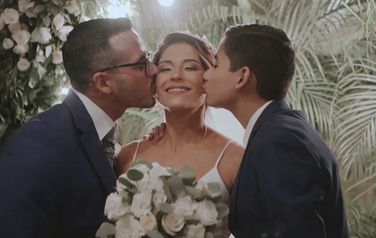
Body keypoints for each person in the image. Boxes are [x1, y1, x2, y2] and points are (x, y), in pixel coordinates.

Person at [0, 18, 158, 238]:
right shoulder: (39, 144)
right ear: (103, 82)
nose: (154, 69)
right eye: (141, 64)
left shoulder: (108, 136)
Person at [203, 24, 349, 238]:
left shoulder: (279, 141)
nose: (206, 75)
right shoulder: (280, 130)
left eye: (215, 64)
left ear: (242, 77)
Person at [116, 32, 244, 237]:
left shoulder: (235, 160)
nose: (176, 75)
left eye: (190, 67)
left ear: (208, 78)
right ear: (154, 85)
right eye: (166, 68)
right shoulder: (127, 156)